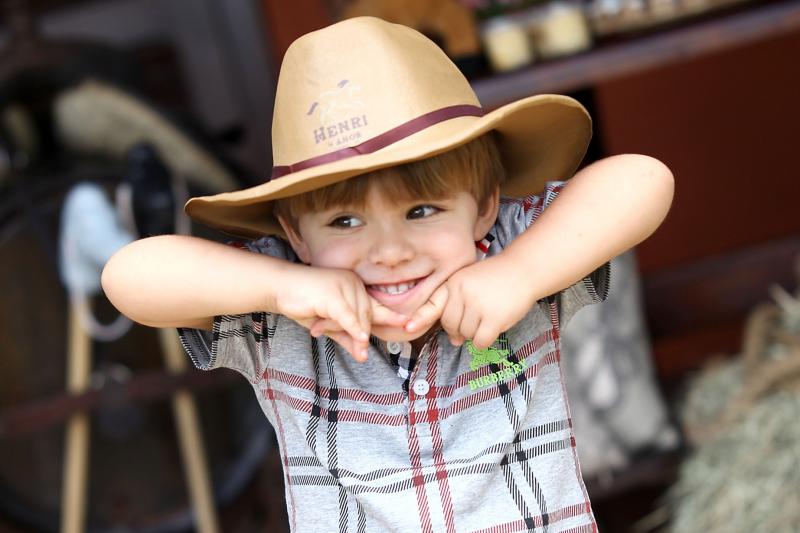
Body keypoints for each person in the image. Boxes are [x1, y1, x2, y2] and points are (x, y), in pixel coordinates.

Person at [102, 16, 673, 532]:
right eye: (346, 221)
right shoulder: (280, 311)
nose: (390, 251)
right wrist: (283, 287)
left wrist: (519, 274)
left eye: (421, 211)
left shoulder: (509, 255)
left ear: (484, 207)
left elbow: (644, 179)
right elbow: (129, 276)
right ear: (296, 234)